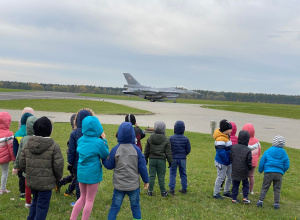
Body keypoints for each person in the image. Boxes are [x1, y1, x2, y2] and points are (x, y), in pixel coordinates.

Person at [19, 116, 64, 220]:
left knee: (35, 202)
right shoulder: (54, 146)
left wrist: (29, 173)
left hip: (33, 181)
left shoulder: (27, 144)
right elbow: (58, 165)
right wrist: (57, 178)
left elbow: (22, 162)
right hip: (46, 184)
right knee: (41, 206)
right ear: (50, 130)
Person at [103, 122, 149, 220]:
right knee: (135, 207)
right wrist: (146, 180)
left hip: (119, 185)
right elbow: (142, 167)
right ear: (132, 134)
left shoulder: (115, 149)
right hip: (133, 186)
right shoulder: (137, 150)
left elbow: (109, 165)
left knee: (114, 208)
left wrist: (103, 159)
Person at [70, 116, 109, 220]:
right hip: (93, 175)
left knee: (82, 197)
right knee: (90, 199)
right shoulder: (99, 142)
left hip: (81, 173)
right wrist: (104, 140)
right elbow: (105, 154)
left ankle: (72, 218)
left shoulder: (81, 140)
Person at [68, 108, 95, 206]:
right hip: (90, 162)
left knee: (79, 183)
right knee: (88, 182)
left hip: (77, 163)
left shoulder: (74, 133)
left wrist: (70, 162)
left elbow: (71, 150)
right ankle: (87, 200)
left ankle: (80, 200)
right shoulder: (93, 133)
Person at [256, 135, 290, 209]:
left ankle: (260, 201)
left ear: (274, 142)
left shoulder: (268, 150)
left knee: (265, 187)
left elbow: (262, 161)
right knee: (277, 189)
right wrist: (282, 171)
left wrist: (260, 170)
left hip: (268, 173)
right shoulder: (284, 153)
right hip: (279, 174)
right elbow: (287, 164)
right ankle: (276, 203)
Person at [13, 116, 38, 208]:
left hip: (27, 166)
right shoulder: (40, 139)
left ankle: (28, 203)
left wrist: (17, 166)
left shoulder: (24, 139)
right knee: (36, 185)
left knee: (27, 186)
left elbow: (19, 154)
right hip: (37, 166)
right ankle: (36, 200)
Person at [144, 121, 172, 197]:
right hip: (162, 160)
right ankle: (163, 192)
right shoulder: (166, 139)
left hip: (152, 159)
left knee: (152, 175)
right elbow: (168, 152)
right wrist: (170, 161)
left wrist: (145, 159)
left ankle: (150, 191)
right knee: (161, 176)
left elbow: (146, 150)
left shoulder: (150, 138)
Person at [55, 114, 76, 196]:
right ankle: (69, 191)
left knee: (74, 175)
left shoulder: (76, 132)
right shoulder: (74, 133)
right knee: (77, 177)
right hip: (74, 157)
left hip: (73, 157)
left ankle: (59, 184)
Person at [13, 112, 33, 200]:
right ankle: (30, 193)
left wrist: (16, 160)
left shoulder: (17, 134)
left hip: (21, 159)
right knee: (30, 176)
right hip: (30, 159)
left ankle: (22, 193)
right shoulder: (33, 134)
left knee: (21, 177)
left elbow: (15, 149)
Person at [168, 121, 191, 195]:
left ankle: (172, 189)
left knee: (172, 173)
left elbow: (168, 148)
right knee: (183, 173)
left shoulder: (171, 138)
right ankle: (184, 188)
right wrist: (184, 154)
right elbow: (188, 149)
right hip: (182, 159)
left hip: (173, 158)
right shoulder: (186, 139)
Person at [230, 130, 252, 204]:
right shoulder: (248, 150)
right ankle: (245, 198)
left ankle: (234, 198)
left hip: (235, 168)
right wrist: (250, 168)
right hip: (244, 170)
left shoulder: (233, 147)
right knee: (245, 183)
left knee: (235, 184)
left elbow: (231, 157)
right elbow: (249, 161)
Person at [213, 119, 232, 199]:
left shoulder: (227, 137)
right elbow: (221, 152)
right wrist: (227, 160)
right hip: (222, 162)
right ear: (225, 130)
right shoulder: (220, 139)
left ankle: (226, 191)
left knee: (230, 177)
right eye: (230, 128)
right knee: (221, 177)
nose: (231, 130)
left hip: (228, 162)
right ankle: (216, 193)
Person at [242, 123, 261, 194]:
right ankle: (251, 189)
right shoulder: (257, 141)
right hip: (254, 161)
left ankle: (245, 189)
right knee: (251, 175)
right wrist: (256, 158)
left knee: (245, 176)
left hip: (246, 161)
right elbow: (259, 150)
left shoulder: (244, 141)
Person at [0, 112, 15, 195]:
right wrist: (14, 158)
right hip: (4, 158)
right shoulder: (9, 134)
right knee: (4, 172)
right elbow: (11, 148)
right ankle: (2, 189)